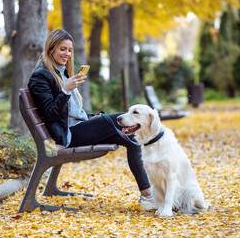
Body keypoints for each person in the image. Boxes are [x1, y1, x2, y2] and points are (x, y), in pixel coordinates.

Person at [27, 29, 156, 209]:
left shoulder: (61, 72)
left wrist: (90, 117)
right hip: (68, 136)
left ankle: (147, 194)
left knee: (130, 135)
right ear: (51, 49)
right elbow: (50, 115)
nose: (67, 54)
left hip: (78, 128)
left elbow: (71, 112)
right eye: (62, 49)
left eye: (70, 50)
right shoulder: (41, 76)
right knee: (114, 121)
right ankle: (149, 194)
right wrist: (66, 90)